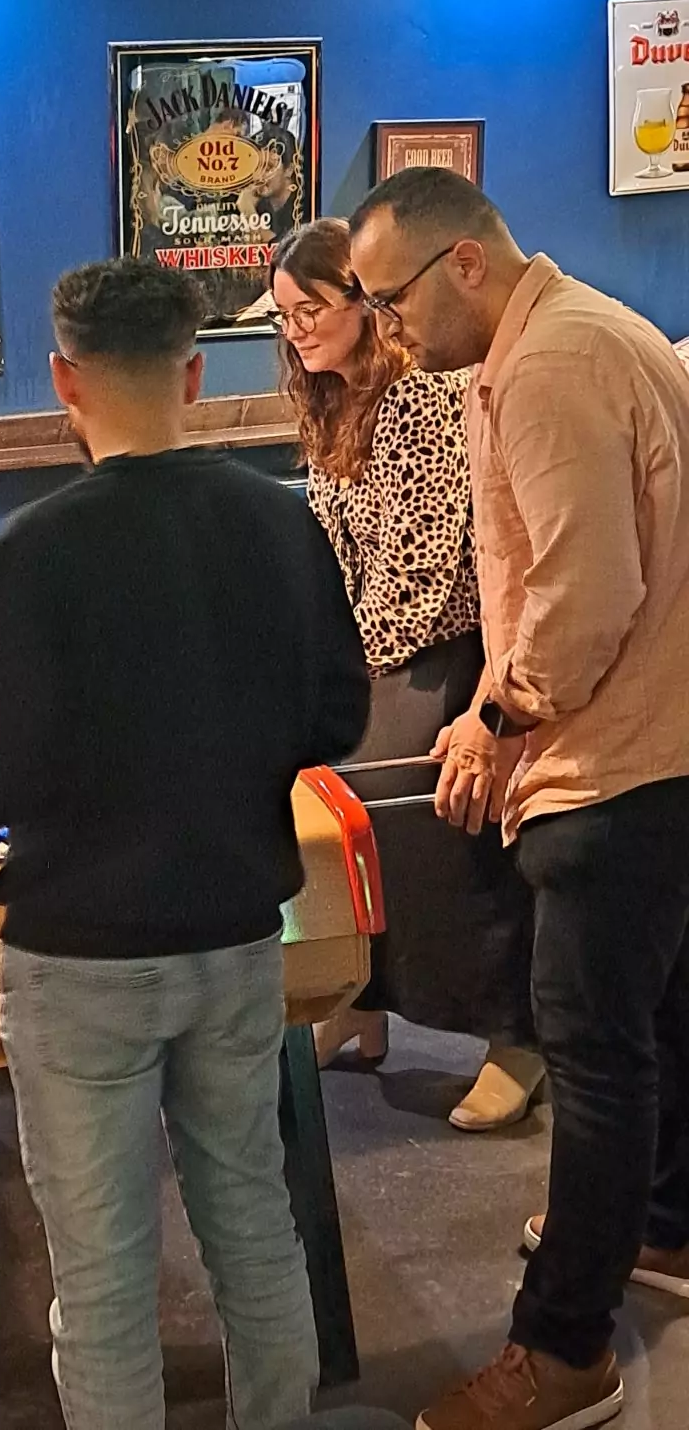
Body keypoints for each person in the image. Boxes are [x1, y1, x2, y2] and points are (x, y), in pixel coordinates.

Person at [0, 258, 370, 1430]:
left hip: (76, 959)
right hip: (235, 936)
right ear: (192, 373)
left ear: (62, 379)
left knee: (102, 1275)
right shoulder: (280, 524)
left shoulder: (26, 552)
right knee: (255, 1226)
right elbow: (335, 718)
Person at [348, 167, 689, 1430]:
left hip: (613, 769)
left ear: (463, 263)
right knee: (658, 1020)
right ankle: (664, 1224)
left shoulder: (548, 366)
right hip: (657, 751)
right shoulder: (588, 329)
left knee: (592, 1056)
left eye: (391, 300)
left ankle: (562, 1351)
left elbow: (581, 594)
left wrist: (495, 718)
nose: (388, 331)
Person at [271, 219, 540, 1131]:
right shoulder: (330, 400)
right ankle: (360, 998)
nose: (297, 331)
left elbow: (423, 578)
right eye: (284, 317)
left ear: (364, 304)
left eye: (311, 309)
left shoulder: (420, 395)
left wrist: (340, 664)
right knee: (328, 794)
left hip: (449, 650)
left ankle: (517, 1037)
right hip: (370, 647)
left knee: (413, 807)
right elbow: (333, 557)